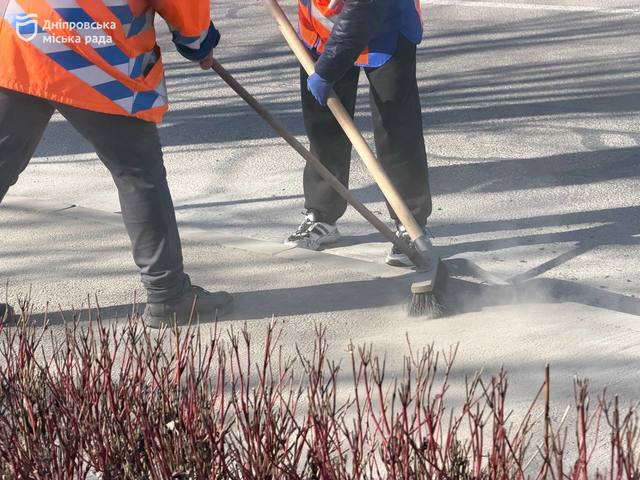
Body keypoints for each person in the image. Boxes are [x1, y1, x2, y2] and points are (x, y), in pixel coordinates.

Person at [0, 0, 232, 327]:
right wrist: (198, 44)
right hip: (98, 59)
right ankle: (168, 296)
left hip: (23, 37)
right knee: (138, 174)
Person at [285, 0, 433, 267]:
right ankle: (321, 214)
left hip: (387, 26)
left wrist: (327, 71)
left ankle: (410, 222)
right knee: (324, 127)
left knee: (396, 128)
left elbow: (364, 10)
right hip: (321, 31)